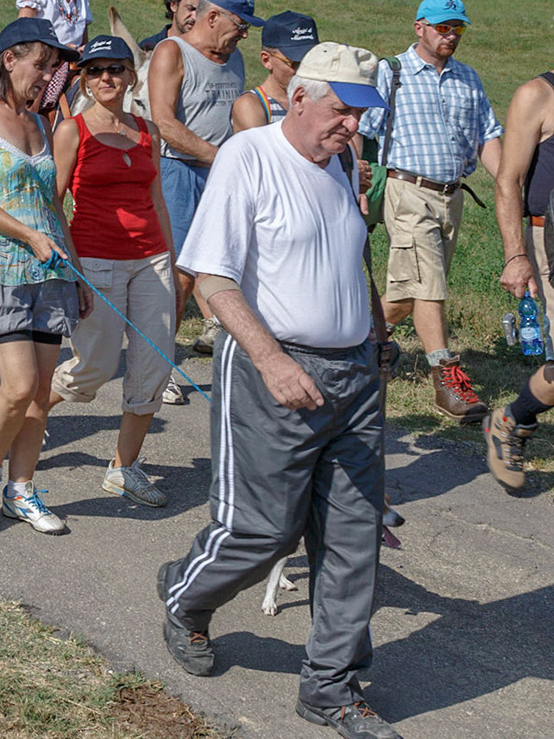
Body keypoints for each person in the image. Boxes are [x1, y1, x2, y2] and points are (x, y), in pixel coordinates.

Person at [158, 44, 404, 739]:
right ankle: (185, 596)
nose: (353, 126)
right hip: (276, 372)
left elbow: (351, 257)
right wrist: (269, 360)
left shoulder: (345, 163)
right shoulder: (249, 156)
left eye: (360, 114)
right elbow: (210, 277)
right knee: (263, 530)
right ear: (299, 98)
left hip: (353, 375)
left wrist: (376, 339)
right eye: (343, 110)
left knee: (357, 540)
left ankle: (332, 688)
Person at [0, 19, 85, 536]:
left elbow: (52, 206)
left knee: (42, 389)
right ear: (10, 59)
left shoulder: (41, 124)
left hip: (49, 273)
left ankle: (22, 488)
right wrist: (28, 237)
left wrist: (72, 269)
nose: (48, 75)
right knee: (19, 383)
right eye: (41, 64)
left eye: (53, 67)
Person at [357, 0, 503, 423]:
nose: (451, 35)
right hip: (407, 192)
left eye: (457, 28)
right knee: (429, 287)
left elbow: (487, 136)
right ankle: (447, 382)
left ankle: (356, 346)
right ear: (419, 27)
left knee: (408, 292)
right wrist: (353, 181)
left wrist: (508, 185)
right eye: (443, 27)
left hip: (452, 197)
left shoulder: (467, 78)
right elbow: (358, 127)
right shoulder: (392, 72)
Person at [46, 35, 177, 507]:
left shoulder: (148, 132)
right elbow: (54, 203)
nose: (108, 78)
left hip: (153, 261)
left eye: (117, 69)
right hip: (95, 258)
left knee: (153, 366)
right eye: (97, 70)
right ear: (84, 79)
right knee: (95, 368)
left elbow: (157, 199)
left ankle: (124, 468)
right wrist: (73, 267)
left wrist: (172, 259)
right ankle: (31, 413)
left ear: (131, 76)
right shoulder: (72, 131)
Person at [147, 0, 262, 387]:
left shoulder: (235, 58)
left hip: (222, 176)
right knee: (179, 276)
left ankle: (237, 366)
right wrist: (220, 157)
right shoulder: (171, 53)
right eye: (240, 24)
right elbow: (163, 122)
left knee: (227, 269)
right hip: (179, 172)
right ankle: (161, 368)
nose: (244, 33)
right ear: (212, 16)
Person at [492, 68, 554, 491]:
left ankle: (518, 417)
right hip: (547, 239)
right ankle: (513, 421)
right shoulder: (537, 95)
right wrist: (516, 256)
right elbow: (509, 180)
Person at [232, 11, 319, 132]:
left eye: (310, 61)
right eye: (294, 63)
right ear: (267, 60)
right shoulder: (251, 105)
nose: (303, 70)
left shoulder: (318, 100)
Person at [138, 0, 208, 54]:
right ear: (174, 5)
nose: (194, 17)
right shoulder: (148, 49)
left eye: (200, 11)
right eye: (190, 8)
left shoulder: (207, 55)